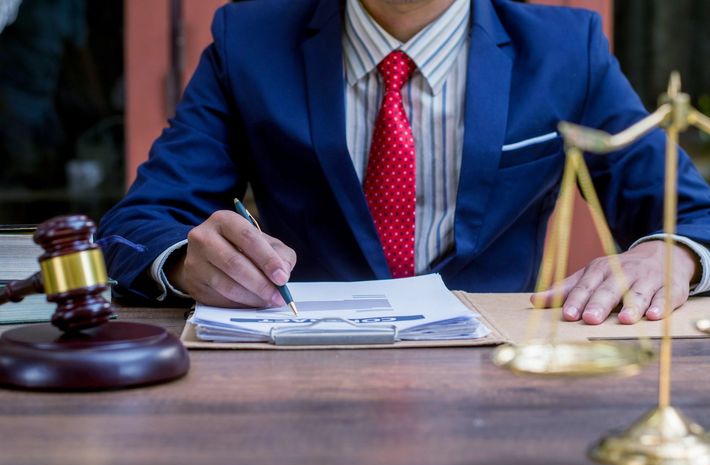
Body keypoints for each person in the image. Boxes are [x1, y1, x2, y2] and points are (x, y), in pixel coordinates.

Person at [98, 0, 710, 326]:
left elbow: (694, 212)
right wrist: (182, 261)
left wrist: (672, 252)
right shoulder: (248, 39)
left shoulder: (564, 50)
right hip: (303, 370)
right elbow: (139, 221)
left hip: (499, 370)